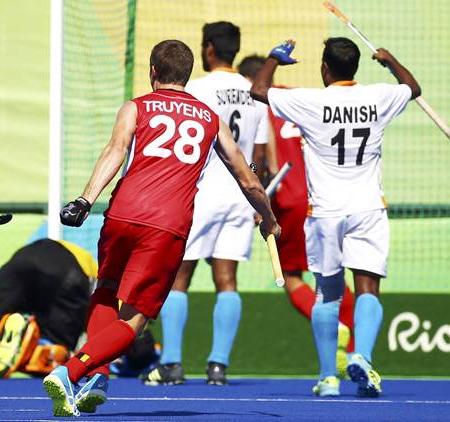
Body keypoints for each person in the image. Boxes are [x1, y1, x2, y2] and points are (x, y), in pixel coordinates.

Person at [43, 39, 280, 417]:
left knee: (106, 288)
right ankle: (71, 372)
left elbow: (115, 150)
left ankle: (97, 376)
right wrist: (268, 219)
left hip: (122, 214)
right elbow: (248, 179)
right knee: (136, 318)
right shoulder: (208, 118)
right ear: (186, 75)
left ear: (153, 71)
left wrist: (86, 199)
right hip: (166, 225)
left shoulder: (135, 106)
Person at [250, 38, 420, 397]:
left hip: (325, 212)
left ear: (324, 68)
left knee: (327, 293)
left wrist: (273, 59)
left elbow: (259, 90)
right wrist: (390, 60)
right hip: (368, 208)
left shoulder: (312, 101)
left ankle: (328, 378)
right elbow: (412, 87)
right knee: (368, 288)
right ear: (355, 67)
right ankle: (363, 356)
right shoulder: (378, 96)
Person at [142, 22, 269, 387]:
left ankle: (172, 364)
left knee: (178, 278)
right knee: (227, 280)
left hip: (199, 192)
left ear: (209, 49)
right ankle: (218, 366)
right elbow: (257, 156)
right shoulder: (254, 91)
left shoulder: (194, 89)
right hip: (240, 196)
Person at [237, 55, 355, 377]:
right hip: (322, 196)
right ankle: (357, 349)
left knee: (291, 277)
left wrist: (260, 205)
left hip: (287, 198)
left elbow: (264, 160)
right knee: (333, 276)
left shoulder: (259, 104)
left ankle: (336, 326)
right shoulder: (298, 98)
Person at [0, 238, 158, 380]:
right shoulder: (118, 299)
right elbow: (122, 338)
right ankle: (31, 345)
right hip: (70, 272)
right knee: (53, 352)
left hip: (28, 254)